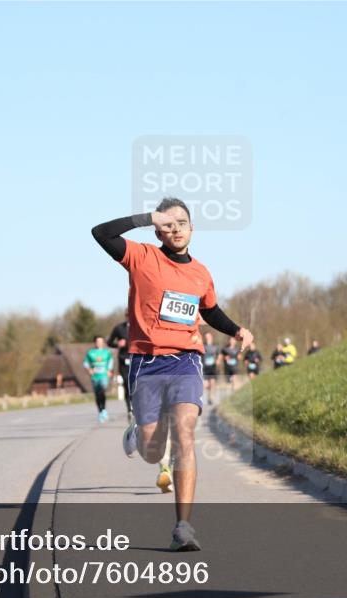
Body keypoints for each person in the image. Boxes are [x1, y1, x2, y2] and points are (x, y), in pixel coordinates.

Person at [92, 197, 252, 551]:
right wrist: (146, 216)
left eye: (182, 222)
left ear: (192, 228)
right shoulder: (142, 256)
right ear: (158, 229)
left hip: (185, 360)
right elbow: (100, 232)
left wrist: (237, 330)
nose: (176, 228)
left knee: (184, 432)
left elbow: (210, 311)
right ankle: (139, 432)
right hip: (146, 363)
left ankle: (183, 527)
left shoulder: (201, 273)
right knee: (152, 452)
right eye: (168, 223)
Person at [107, 312, 133, 422]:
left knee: (137, 384)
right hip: (124, 360)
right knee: (127, 384)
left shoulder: (140, 326)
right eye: (128, 314)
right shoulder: (119, 328)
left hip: (137, 359)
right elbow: (109, 342)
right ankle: (129, 410)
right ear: (126, 315)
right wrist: (117, 344)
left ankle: (138, 407)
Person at [82, 336, 114, 422]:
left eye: (101, 341)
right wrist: (89, 370)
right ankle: (100, 411)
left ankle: (103, 410)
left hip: (104, 375)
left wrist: (110, 371)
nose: (99, 343)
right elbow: (85, 363)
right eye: (97, 341)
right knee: (97, 394)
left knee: (102, 391)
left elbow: (110, 362)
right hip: (95, 376)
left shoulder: (107, 353)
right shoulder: (90, 353)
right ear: (95, 342)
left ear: (103, 342)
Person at [201, 331, 220, 404]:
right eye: (206, 337)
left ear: (211, 337)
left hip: (212, 367)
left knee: (212, 383)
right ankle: (210, 393)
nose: (207, 338)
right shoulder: (203, 346)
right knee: (206, 385)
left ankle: (210, 398)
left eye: (208, 337)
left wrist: (218, 360)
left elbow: (219, 355)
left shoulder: (215, 346)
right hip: (205, 368)